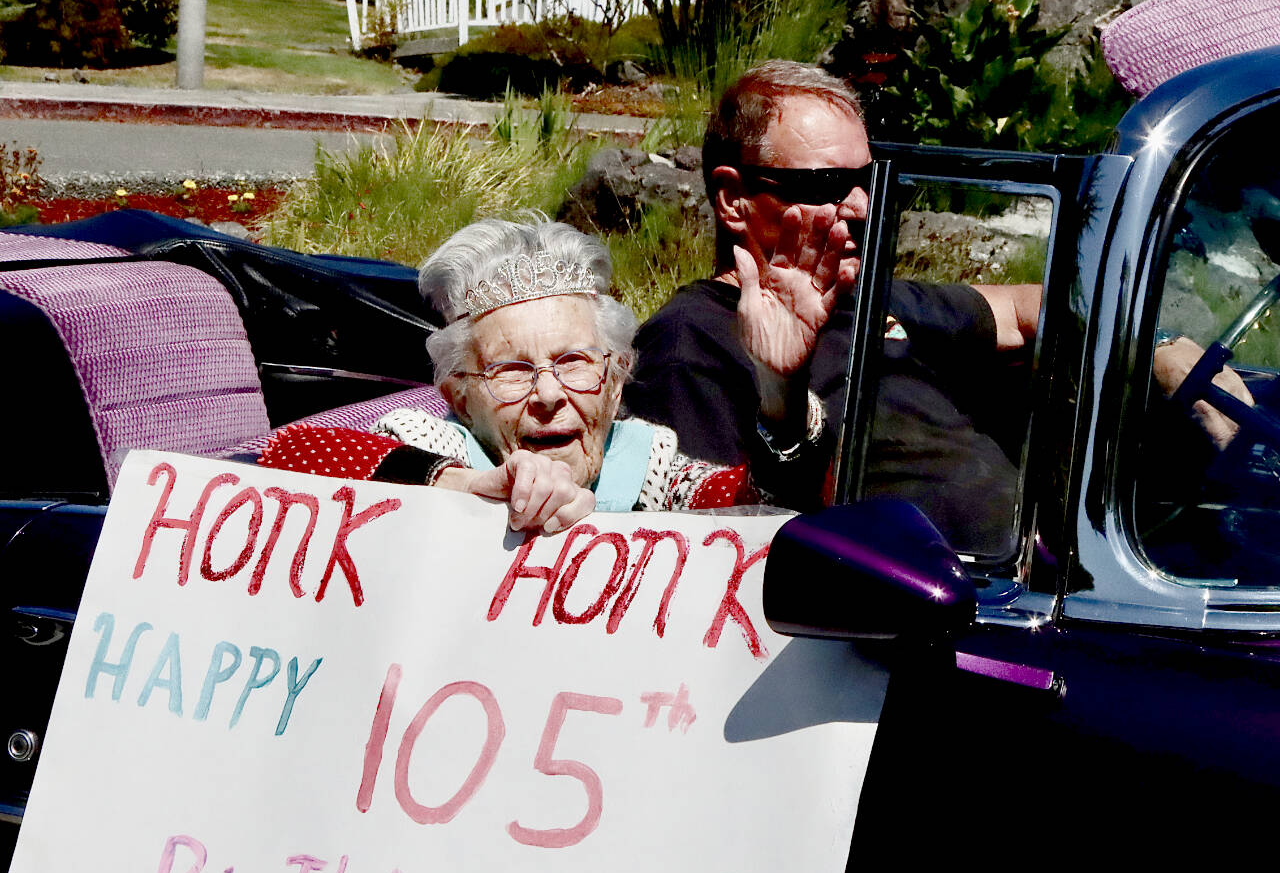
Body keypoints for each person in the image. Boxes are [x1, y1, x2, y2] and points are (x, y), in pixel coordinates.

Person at [623, 59, 1043, 556]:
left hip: (1051, 569)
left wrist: (1155, 349)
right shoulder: (690, 341)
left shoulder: (869, 297)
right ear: (734, 199)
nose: (862, 205)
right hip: (917, 605)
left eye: (867, 179)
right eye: (825, 184)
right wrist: (782, 392)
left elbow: (1020, 309)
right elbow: (717, 540)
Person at [259, 213, 848, 532]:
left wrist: (780, 390)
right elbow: (285, 455)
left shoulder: (651, 474)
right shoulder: (439, 446)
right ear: (460, 399)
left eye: (573, 363)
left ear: (616, 382)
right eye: (512, 371)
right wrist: (464, 490)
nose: (547, 395)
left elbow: (770, 508)